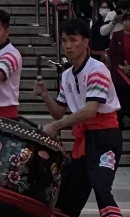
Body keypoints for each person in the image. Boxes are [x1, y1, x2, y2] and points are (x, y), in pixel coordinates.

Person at [34, 18, 122, 217]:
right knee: (68, 193)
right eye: (64, 40)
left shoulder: (97, 70)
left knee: (101, 188)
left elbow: (91, 111)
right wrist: (46, 95)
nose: (68, 45)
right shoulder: (66, 75)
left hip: (105, 137)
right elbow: (58, 111)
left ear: (85, 42)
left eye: (73, 40)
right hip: (85, 139)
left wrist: (56, 126)